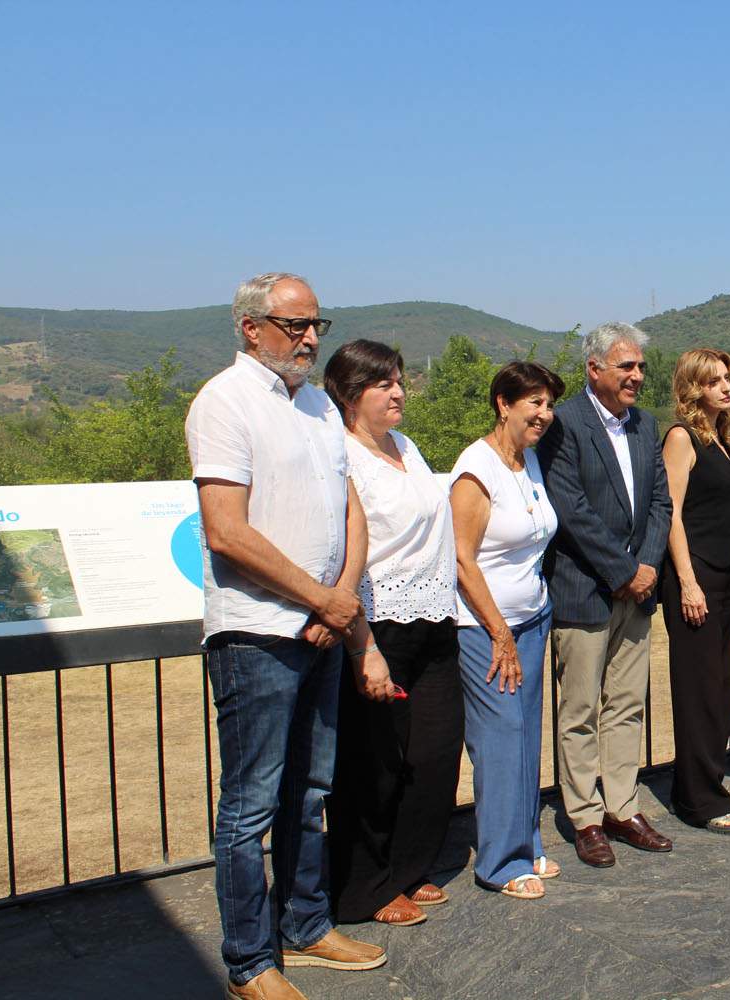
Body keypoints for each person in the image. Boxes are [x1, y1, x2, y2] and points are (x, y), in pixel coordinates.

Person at [186, 273, 384, 1000]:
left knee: (310, 792)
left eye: (316, 325)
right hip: (255, 635)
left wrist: (336, 603)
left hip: (319, 629)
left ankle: (304, 927)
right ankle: (249, 962)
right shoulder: (223, 402)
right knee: (250, 806)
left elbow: (350, 512)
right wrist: (324, 600)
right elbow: (226, 531)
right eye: (295, 325)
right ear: (250, 327)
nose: (310, 339)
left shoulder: (317, 407)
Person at [320, 340, 461, 929]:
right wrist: (364, 648)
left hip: (434, 618)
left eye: (400, 380)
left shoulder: (408, 446)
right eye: (385, 384)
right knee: (373, 761)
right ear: (352, 397)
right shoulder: (342, 458)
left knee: (433, 753)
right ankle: (363, 887)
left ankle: (407, 866)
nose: (400, 392)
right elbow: (344, 556)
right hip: (379, 624)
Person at [537, 323, 674, 867]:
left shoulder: (646, 425)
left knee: (627, 706)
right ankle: (585, 817)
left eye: (640, 367)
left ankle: (623, 805)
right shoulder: (564, 424)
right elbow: (569, 507)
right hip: (585, 589)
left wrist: (646, 567)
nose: (637, 376)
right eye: (626, 367)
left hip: (636, 592)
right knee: (578, 710)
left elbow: (661, 503)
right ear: (594, 369)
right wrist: (622, 569)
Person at [451, 361, 568, 899]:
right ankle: (498, 862)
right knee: (500, 740)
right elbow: (462, 560)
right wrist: (498, 631)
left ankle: (526, 842)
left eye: (549, 404)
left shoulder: (527, 461)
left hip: (531, 619)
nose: (544, 414)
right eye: (534, 403)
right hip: (484, 628)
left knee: (525, 738)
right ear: (504, 403)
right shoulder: (477, 469)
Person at [660, 349, 730, 834]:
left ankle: (701, 783)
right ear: (693, 387)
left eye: (728, 380)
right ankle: (700, 801)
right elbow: (671, 513)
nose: (726, 388)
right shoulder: (681, 437)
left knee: (718, 689)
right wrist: (688, 581)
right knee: (698, 691)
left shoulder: (721, 440)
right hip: (694, 579)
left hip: (726, 576)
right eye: (714, 381)